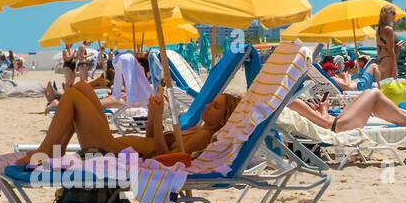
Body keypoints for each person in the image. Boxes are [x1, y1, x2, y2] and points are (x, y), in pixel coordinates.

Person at [24, 81, 242, 165]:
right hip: (112, 146)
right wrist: (152, 116)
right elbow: (150, 143)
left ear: (223, 119)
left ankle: (45, 151)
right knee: (81, 87)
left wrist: (157, 119)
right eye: (211, 102)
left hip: (107, 151)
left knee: (72, 95)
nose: (207, 106)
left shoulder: (204, 137)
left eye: (214, 107)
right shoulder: (197, 129)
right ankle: (54, 150)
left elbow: (165, 159)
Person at [287, 87, 406, 131]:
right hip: (338, 126)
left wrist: (318, 111)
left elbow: (318, 122)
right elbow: (324, 123)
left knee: (369, 95)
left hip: (337, 123)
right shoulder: (293, 102)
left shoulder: (288, 102)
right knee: (374, 93)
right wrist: (324, 109)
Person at [374, 6, 406, 105]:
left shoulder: (379, 30)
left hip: (382, 61)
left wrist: (396, 49)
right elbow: (391, 51)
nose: (395, 15)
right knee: (389, 90)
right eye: (392, 13)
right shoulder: (388, 29)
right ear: (386, 14)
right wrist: (395, 67)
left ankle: (381, 109)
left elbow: (379, 49)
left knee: (385, 89)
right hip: (388, 60)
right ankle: (386, 111)